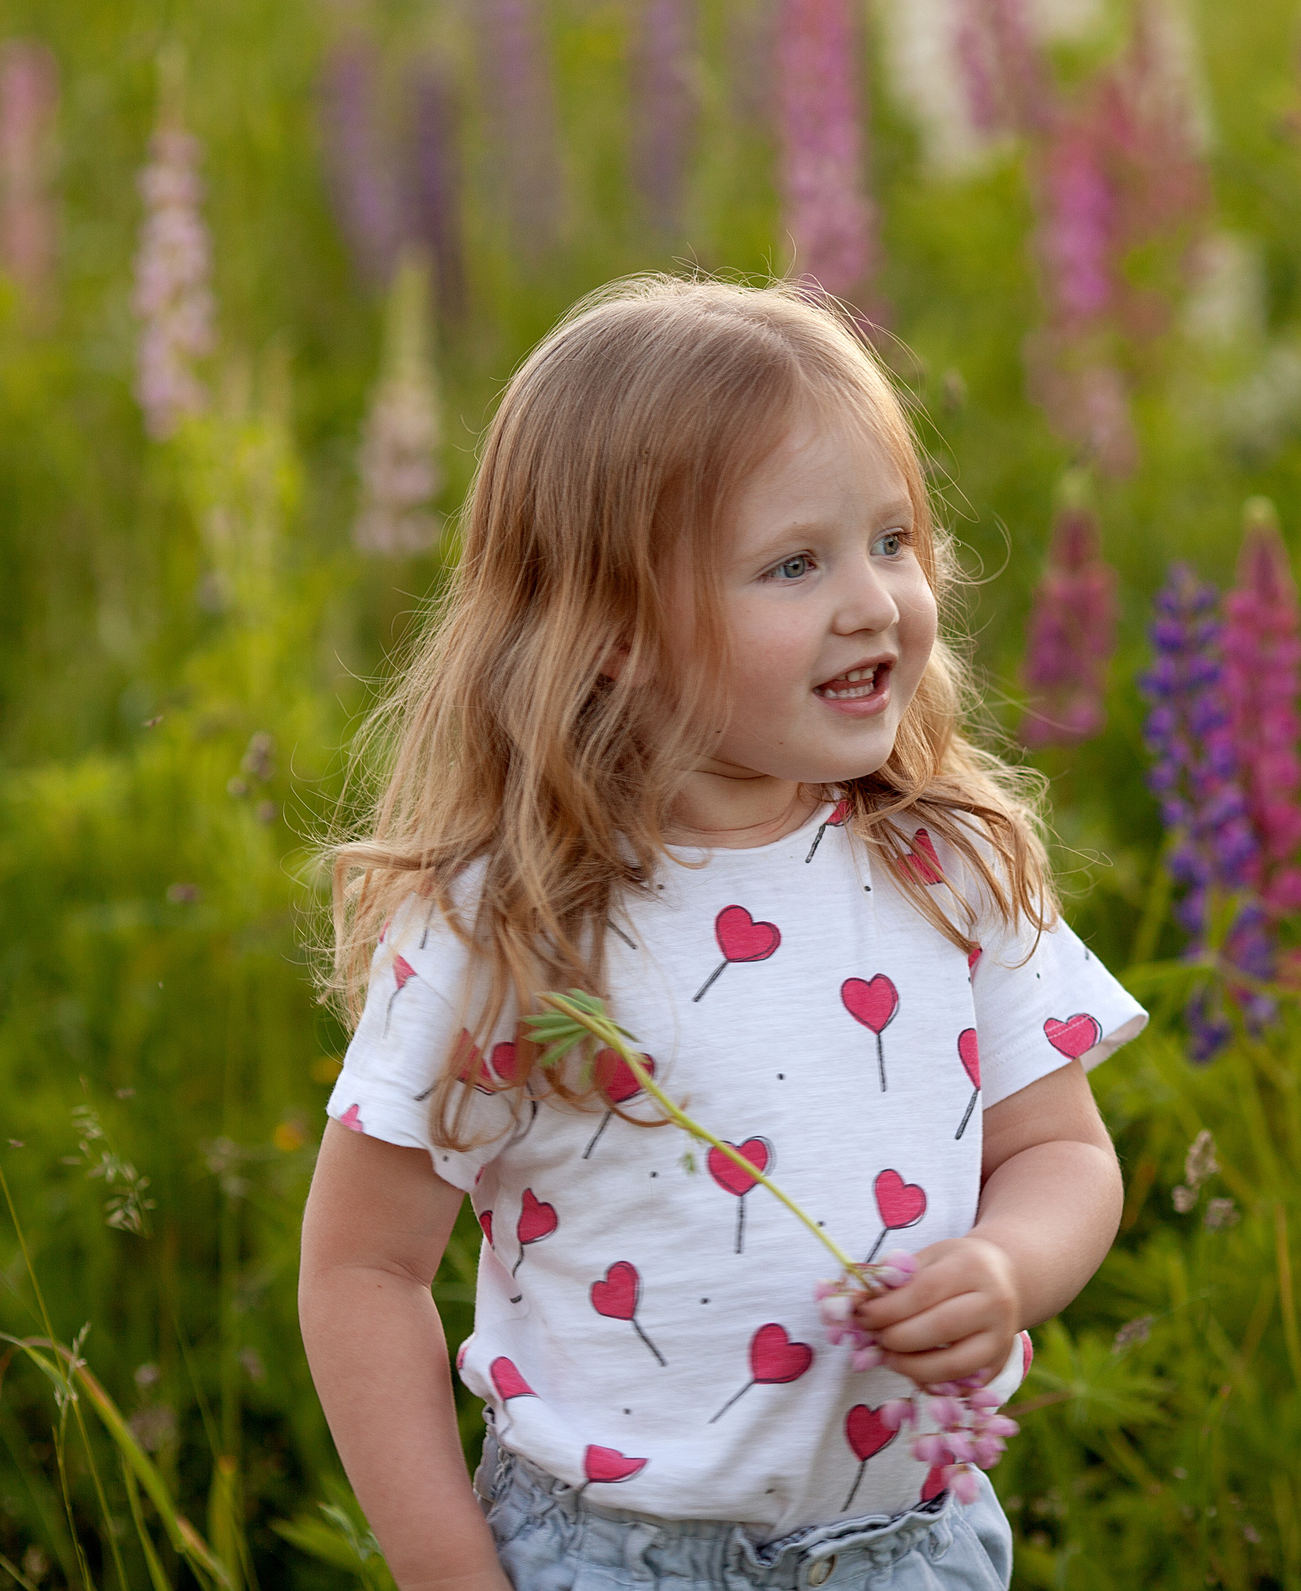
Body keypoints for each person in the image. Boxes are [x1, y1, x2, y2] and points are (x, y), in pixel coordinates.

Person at [299, 275, 1144, 1591]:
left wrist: (1006, 1264)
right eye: (795, 565)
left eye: (890, 541)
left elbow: (1063, 1153)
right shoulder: (513, 922)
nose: (873, 602)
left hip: (910, 1548)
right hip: (608, 1556)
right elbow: (362, 1267)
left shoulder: (947, 861)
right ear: (620, 632)